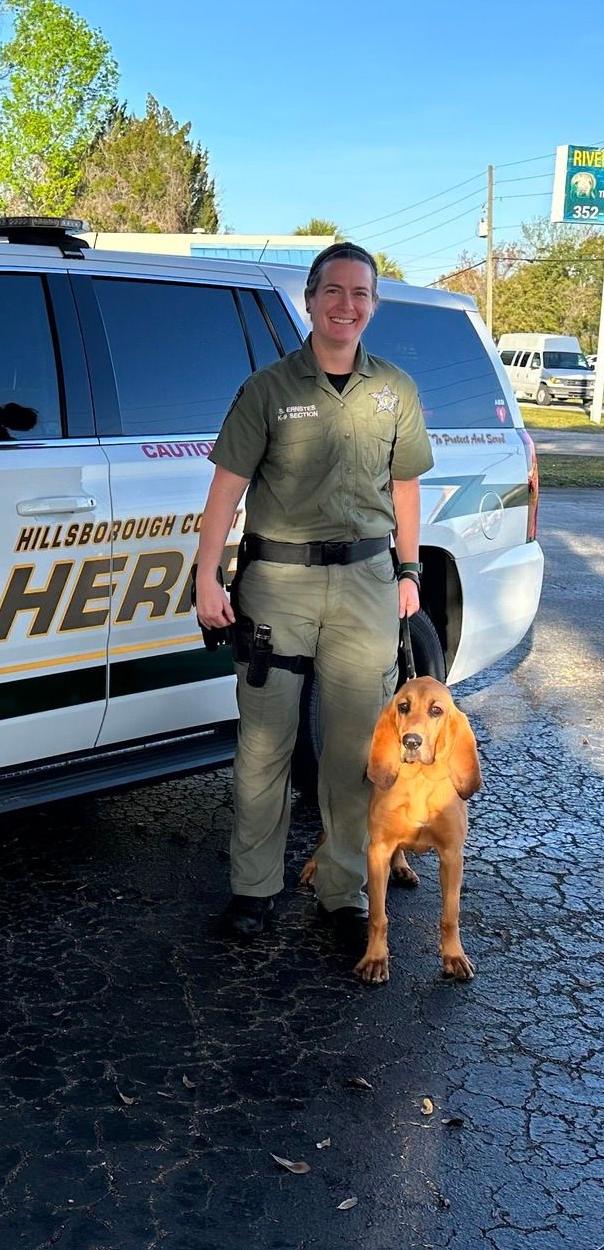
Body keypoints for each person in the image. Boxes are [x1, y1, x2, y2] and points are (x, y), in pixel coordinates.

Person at [194, 242, 434, 940]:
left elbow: (405, 486)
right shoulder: (268, 389)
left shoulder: (396, 390)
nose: (347, 305)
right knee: (265, 746)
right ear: (310, 298)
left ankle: (345, 890)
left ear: (373, 306)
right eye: (334, 291)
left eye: (361, 294)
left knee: (358, 752)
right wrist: (207, 575)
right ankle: (253, 890)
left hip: (366, 583)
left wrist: (410, 573)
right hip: (279, 586)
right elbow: (227, 487)